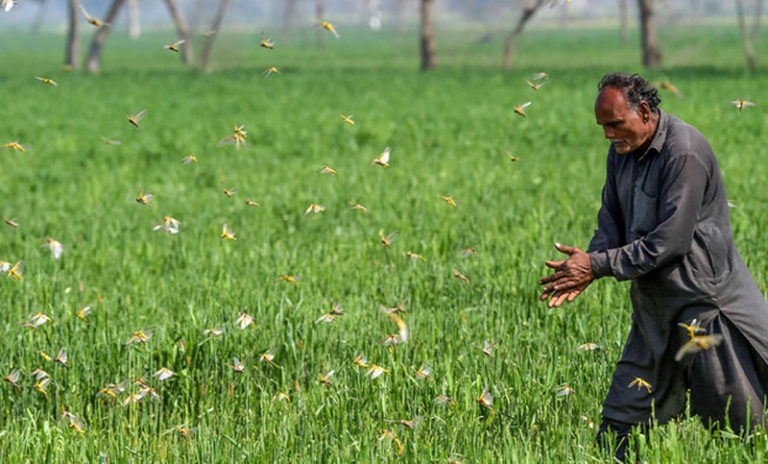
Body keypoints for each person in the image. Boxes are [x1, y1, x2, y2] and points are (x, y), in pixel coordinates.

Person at [538, 72, 768, 460]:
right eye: (602, 127)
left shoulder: (685, 152)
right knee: (619, 426)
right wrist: (588, 263)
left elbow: (672, 241)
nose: (608, 135)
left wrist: (596, 265)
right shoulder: (622, 151)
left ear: (644, 111)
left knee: (735, 430)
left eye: (614, 123)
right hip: (654, 309)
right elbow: (611, 220)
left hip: (706, 309)